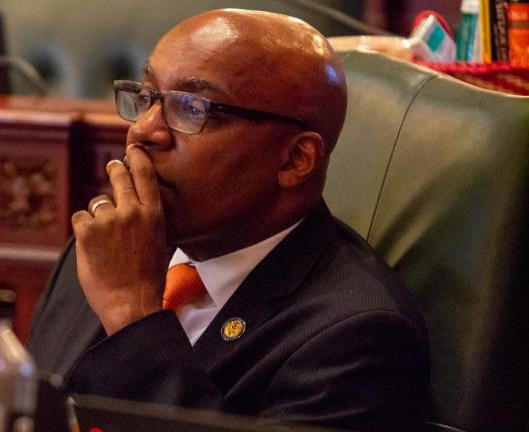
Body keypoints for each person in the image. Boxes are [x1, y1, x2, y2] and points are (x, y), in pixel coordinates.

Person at [28, 8, 430, 431]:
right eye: (146, 97)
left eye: (191, 108)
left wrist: (134, 317)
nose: (144, 131)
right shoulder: (106, 249)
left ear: (295, 159)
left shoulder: (356, 337)